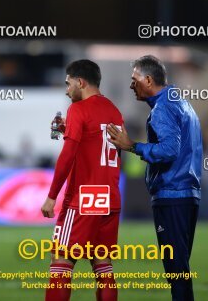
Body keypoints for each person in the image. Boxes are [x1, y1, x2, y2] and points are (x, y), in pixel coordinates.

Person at [107, 55, 202, 301]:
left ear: (148, 80)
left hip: (171, 194)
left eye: (134, 79)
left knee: (176, 270)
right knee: (180, 267)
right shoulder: (181, 102)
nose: (131, 85)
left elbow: (169, 150)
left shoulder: (163, 108)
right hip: (188, 193)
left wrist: (132, 146)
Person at [41, 59, 124, 301]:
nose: (66, 90)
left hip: (84, 196)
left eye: (68, 84)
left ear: (81, 82)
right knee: (102, 265)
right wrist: (70, 128)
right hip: (110, 196)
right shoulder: (113, 110)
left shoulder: (78, 110)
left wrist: (51, 196)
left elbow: (67, 156)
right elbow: (102, 144)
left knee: (61, 261)